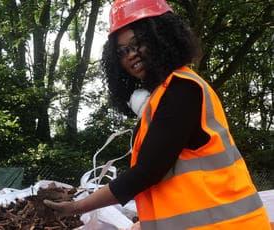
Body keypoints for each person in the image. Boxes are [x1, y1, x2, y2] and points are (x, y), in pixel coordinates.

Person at [44, 0, 271, 229]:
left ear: (162, 38)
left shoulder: (183, 89)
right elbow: (170, 179)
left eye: (138, 43)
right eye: (123, 51)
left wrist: (76, 207)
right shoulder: (162, 98)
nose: (131, 55)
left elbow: (147, 172)